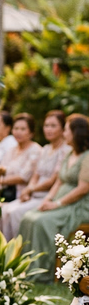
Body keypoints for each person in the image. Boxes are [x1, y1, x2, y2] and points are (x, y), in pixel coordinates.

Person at [19, 114, 89, 282]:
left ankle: (43, 271)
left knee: (41, 222)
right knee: (28, 218)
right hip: (59, 201)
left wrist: (56, 204)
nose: (64, 134)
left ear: (76, 133)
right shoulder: (69, 154)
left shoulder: (86, 157)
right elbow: (58, 181)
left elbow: (83, 188)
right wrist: (47, 200)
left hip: (77, 205)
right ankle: (26, 267)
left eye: (66, 130)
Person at [0, 111, 71, 241]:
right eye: (46, 125)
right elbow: (36, 175)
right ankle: (0, 252)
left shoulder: (65, 150)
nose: (48, 129)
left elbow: (54, 180)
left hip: (48, 195)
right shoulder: (46, 148)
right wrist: (29, 190)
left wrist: (31, 189)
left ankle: (18, 253)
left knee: (14, 213)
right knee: (2, 211)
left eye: (53, 126)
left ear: (62, 129)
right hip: (33, 194)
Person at [0, 113, 42, 202]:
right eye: (16, 128)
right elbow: (1, 169)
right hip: (5, 192)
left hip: (22, 195)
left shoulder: (35, 150)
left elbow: (24, 177)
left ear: (31, 133)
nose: (18, 132)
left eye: (23, 129)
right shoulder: (12, 150)